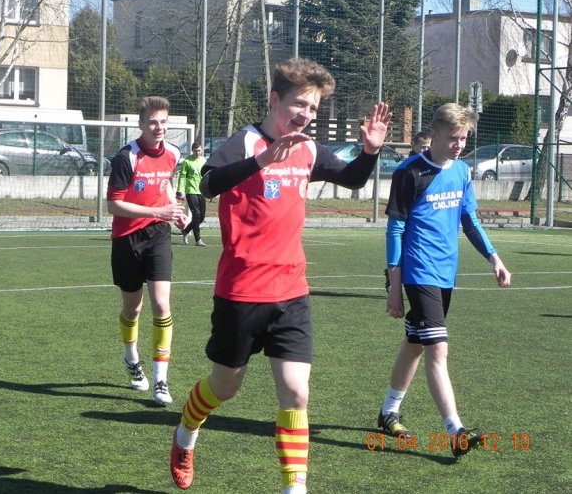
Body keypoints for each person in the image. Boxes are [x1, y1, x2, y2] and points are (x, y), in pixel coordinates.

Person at [169, 58, 392, 493]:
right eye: (299, 104)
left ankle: (295, 488)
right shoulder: (245, 141)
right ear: (275, 99)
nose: (306, 114)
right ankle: (186, 432)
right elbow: (208, 185)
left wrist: (370, 151)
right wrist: (261, 160)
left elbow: (351, 180)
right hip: (241, 291)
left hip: (291, 290)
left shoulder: (308, 148)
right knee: (225, 386)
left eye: (313, 108)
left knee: (296, 393)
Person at [378, 103, 511, 457]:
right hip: (418, 270)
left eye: (464, 138)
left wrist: (494, 258)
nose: (459, 145)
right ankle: (456, 430)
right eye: (453, 138)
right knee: (438, 348)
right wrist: (394, 286)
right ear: (434, 134)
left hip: (445, 272)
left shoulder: (462, 171)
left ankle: (388, 411)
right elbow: (395, 229)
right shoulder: (409, 172)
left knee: (416, 343)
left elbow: (470, 220)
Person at [107, 96, 188, 406]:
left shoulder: (173, 153)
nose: (158, 127)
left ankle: (161, 380)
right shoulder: (126, 157)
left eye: (163, 122)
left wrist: (176, 211)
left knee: (162, 305)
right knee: (133, 309)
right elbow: (114, 204)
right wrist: (158, 212)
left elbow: (165, 185)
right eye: (153, 122)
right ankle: (131, 358)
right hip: (127, 239)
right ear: (141, 124)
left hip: (158, 235)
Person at [176, 142, 208, 247]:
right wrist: (179, 190)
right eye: (196, 151)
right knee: (197, 215)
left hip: (201, 191)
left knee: (201, 217)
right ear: (192, 150)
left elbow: (207, 175)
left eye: (199, 150)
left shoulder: (204, 161)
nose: (198, 152)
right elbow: (182, 177)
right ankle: (198, 240)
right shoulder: (187, 162)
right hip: (191, 191)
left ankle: (186, 230)